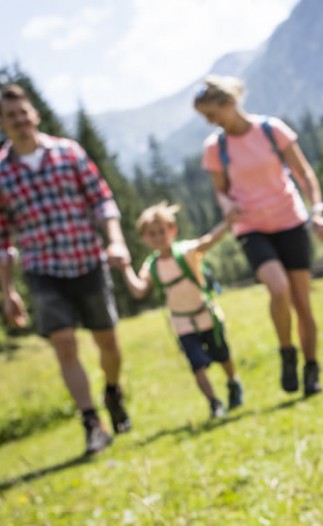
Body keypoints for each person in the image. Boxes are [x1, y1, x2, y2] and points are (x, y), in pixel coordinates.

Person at [0, 83, 132, 456]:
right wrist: (7, 290)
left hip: (87, 258)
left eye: (24, 113)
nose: (20, 121)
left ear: (34, 114)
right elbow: (2, 239)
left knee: (108, 342)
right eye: (11, 116)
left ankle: (112, 391)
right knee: (64, 343)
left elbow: (101, 199)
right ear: (2, 122)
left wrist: (116, 241)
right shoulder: (1, 173)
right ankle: (91, 422)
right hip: (43, 268)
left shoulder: (67, 152)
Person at [193, 75, 323, 397]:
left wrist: (318, 210)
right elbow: (220, 193)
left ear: (229, 104)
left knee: (302, 303)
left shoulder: (271, 130)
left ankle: (311, 368)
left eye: (212, 114)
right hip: (251, 227)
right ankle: (287, 351)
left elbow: (304, 173)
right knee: (278, 288)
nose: (210, 122)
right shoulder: (216, 147)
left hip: (290, 220)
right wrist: (227, 206)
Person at [121, 201, 243, 418]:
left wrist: (227, 223)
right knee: (197, 365)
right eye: (152, 234)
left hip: (206, 316)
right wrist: (125, 267)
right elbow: (139, 290)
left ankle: (233, 382)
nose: (158, 237)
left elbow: (208, 241)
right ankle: (214, 403)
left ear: (172, 230)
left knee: (222, 356)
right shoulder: (151, 266)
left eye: (162, 231)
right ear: (144, 238)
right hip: (182, 323)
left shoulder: (186, 251)